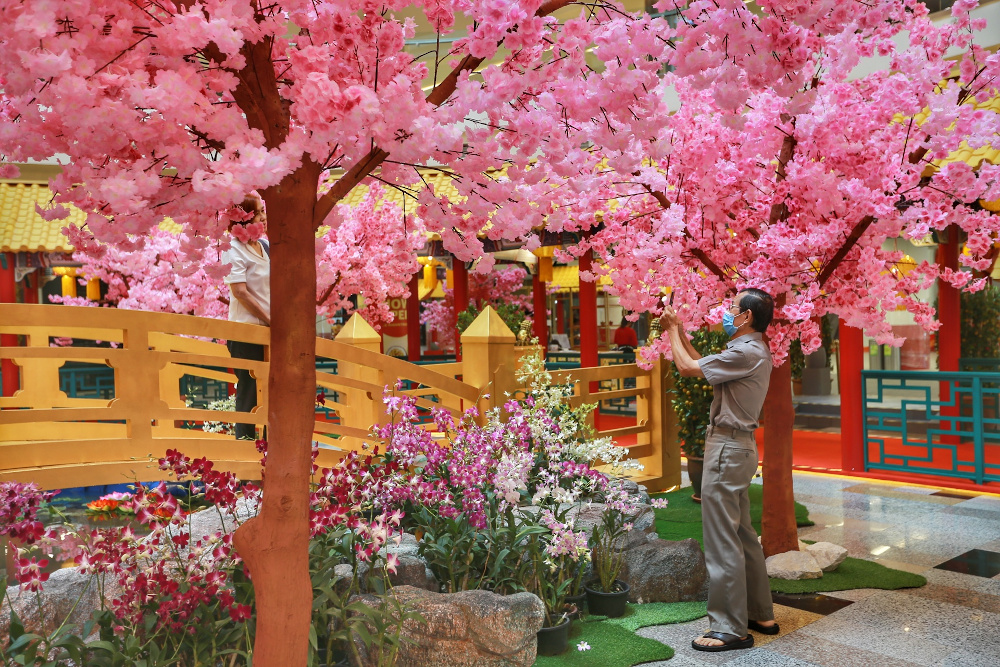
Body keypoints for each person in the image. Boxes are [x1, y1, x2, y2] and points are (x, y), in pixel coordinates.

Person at [660, 288, 777, 653]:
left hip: (727, 449)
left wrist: (670, 329)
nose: (728, 312)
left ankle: (729, 628)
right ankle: (759, 614)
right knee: (742, 534)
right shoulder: (750, 350)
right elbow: (702, 365)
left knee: (722, 538)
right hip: (739, 448)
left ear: (747, 317)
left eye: (733, 308)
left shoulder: (745, 352)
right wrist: (680, 333)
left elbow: (685, 368)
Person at [222, 195, 270, 440]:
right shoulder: (232, 249)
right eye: (259, 212)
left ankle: (271, 446)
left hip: (270, 332)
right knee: (249, 389)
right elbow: (240, 292)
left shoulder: (265, 246)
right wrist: (270, 319)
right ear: (245, 218)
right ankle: (245, 446)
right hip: (246, 331)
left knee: (273, 389)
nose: (264, 217)